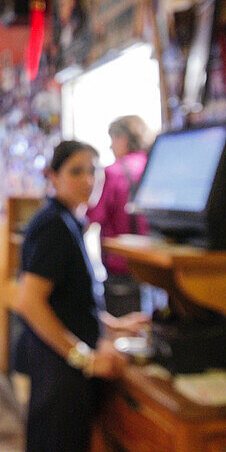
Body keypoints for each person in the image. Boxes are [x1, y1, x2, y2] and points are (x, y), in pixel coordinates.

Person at [10, 140, 147, 452]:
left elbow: (67, 303)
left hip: (60, 367)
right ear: (52, 177)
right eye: (76, 170)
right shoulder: (54, 224)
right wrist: (84, 357)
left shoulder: (68, 220)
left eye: (94, 170)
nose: (88, 179)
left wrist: (113, 326)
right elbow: (30, 302)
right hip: (55, 369)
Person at [86, 114, 153, 316]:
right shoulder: (151, 165)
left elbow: (94, 216)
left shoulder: (113, 172)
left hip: (121, 268)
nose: (111, 146)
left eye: (113, 139)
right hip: (153, 266)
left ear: (123, 138)